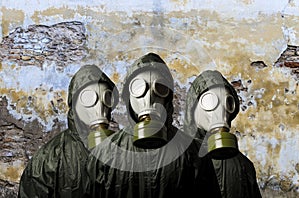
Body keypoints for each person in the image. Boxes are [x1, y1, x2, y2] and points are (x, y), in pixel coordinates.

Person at [87, 52, 218, 198]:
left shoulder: (194, 153)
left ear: (168, 97)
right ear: (128, 97)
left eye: (159, 88)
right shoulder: (104, 154)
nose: (149, 97)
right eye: (139, 88)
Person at [18, 64, 118, 198]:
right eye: (88, 98)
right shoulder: (49, 159)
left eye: (106, 98)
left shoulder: (123, 152)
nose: (99, 107)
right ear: (74, 103)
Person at [184, 70, 262, 198]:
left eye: (227, 103)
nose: (220, 113)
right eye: (209, 101)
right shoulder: (243, 164)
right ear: (193, 107)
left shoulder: (243, 165)